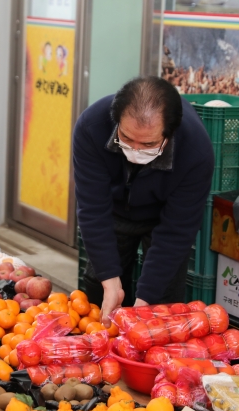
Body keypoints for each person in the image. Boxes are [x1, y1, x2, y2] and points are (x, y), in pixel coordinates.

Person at [73, 77, 214, 326]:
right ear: (115, 120)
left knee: (162, 301)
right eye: (126, 139)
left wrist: (144, 302)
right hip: (114, 209)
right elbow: (92, 209)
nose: (136, 151)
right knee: (100, 287)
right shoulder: (91, 127)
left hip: (163, 213)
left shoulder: (196, 151)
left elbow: (177, 231)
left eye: (148, 144)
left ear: (170, 134)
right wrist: (110, 279)